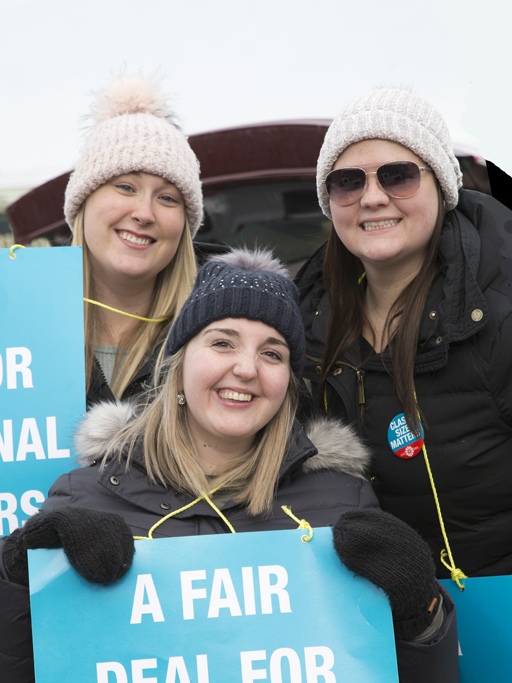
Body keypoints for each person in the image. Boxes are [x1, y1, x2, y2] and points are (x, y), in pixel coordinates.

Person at [0, 248, 458, 682]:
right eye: (222, 343)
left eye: (272, 353)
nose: (246, 369)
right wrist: (19, 573)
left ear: (287, 385)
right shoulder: (83, 495)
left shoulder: (342, 501)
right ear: (179, 363)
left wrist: (419, 613)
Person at [296, 86, 512, 580]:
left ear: (441, 185)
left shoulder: (500, 314)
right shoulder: (301, 331)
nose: (373, 198)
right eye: (348, 181)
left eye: (398, 176)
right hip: (374, 617)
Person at [64, 73, 203, 406]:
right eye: (126, 187)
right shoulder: (18, 323)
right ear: (83, 202)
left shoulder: (221, 333)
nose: (144, 213)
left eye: (167, 198)